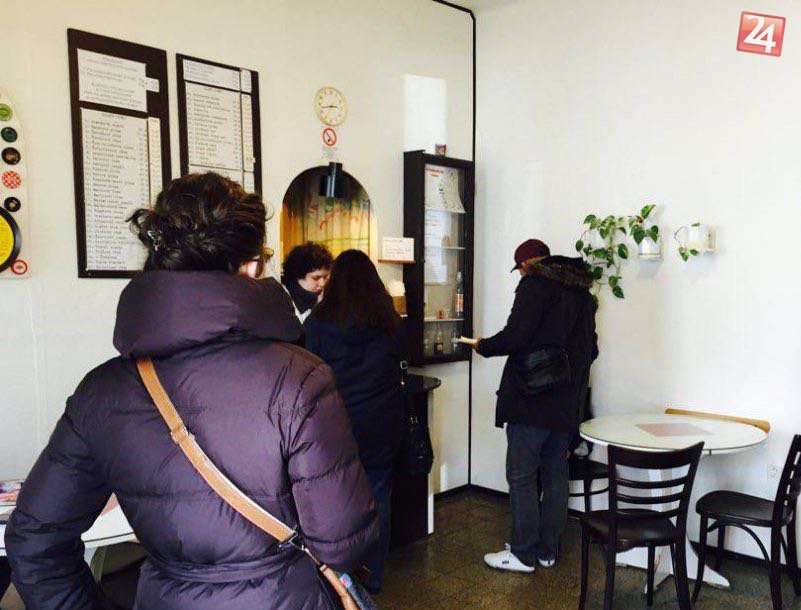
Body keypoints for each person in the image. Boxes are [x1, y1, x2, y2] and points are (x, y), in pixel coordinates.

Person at [4, 173, 378, 610]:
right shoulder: (299, 377)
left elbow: (35, 539)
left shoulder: (100, 391)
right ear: (251, 266)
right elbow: (341, 542)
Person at [478, 238, 598, 573]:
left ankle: (522, 553)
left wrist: (483, 345)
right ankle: (547, 550)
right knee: (555, 472)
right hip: (567, 403)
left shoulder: (535, 284)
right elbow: (592, 350)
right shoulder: (582, 293)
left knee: (522, 475)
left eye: (519, 269)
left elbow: (516, 336)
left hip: (531, 399)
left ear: (527, 264)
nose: (520, 275)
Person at [304, 250, 405, 593]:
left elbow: (307, 371)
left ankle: (342, 577)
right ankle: (374, 575)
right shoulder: (389, 321)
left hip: (336, 425)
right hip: (382, 424)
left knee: (337, 501)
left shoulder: (318, 323)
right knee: (379, 498)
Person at [281, 242, 333, 322]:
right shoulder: (281, 300)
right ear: (297, 275)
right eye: (316, 278)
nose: (322, 284)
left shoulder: (324, 298)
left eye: (325, 277)